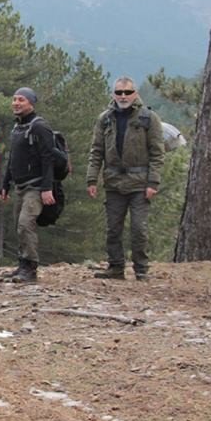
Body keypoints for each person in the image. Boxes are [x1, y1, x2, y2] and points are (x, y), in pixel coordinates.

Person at [86, 77, 165, 281]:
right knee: (113, 228)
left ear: (135, 94)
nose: (123, 96)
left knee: (139, 228)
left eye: (127, 92)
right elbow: (96, 151)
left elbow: (157, 153)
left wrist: (153, 182)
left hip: (140, 183)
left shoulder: (149, 118)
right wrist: (91, 179)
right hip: (113, 182)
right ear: (113, 94)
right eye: (119, 92)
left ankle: (141, 269)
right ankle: (115, 267)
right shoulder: (104, 119)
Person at [0, 87, 56, 284]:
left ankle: (30, 268)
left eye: (21, 99)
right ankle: (22, 265)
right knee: (19, 225)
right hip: (20, 186)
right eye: (14, 99)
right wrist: (5, 183)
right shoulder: (18, 128)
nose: (16, 103)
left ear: (31, 103)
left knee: (25, 223)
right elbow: (13, 158)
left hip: (36, 186)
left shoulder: (39, 127)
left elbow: (48, 159)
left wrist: (47, 187)